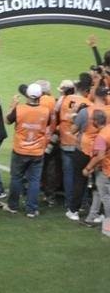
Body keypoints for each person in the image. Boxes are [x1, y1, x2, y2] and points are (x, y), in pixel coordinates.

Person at [4, 83, 52, 218]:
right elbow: (47, 124)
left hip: (20, 150)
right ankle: (31, 209)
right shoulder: (45, 111)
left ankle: (13, 206)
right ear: (40, 96)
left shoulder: (19, 109)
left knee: (16, 178)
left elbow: (7, 121)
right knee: (34, 180)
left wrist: (12, 106)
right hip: (37, 151)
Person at [56, 78, 89, 219]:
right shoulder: (88, 103)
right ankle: (82, 203)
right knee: (82, 177)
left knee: (68, 175)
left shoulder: (65, 99)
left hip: (65, 140)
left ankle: (69, 203)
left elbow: (56, 112)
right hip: (79, 145)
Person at [81, 110, 109, 227]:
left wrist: (88, 168)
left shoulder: (101, 136)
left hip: (105, 169)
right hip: (104, 167)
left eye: (91, 119)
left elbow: (100, 156)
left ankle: (108, 223)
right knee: (97, 192)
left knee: (105, 197)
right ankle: (91, 218)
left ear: (96, 121)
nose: (90, 121)